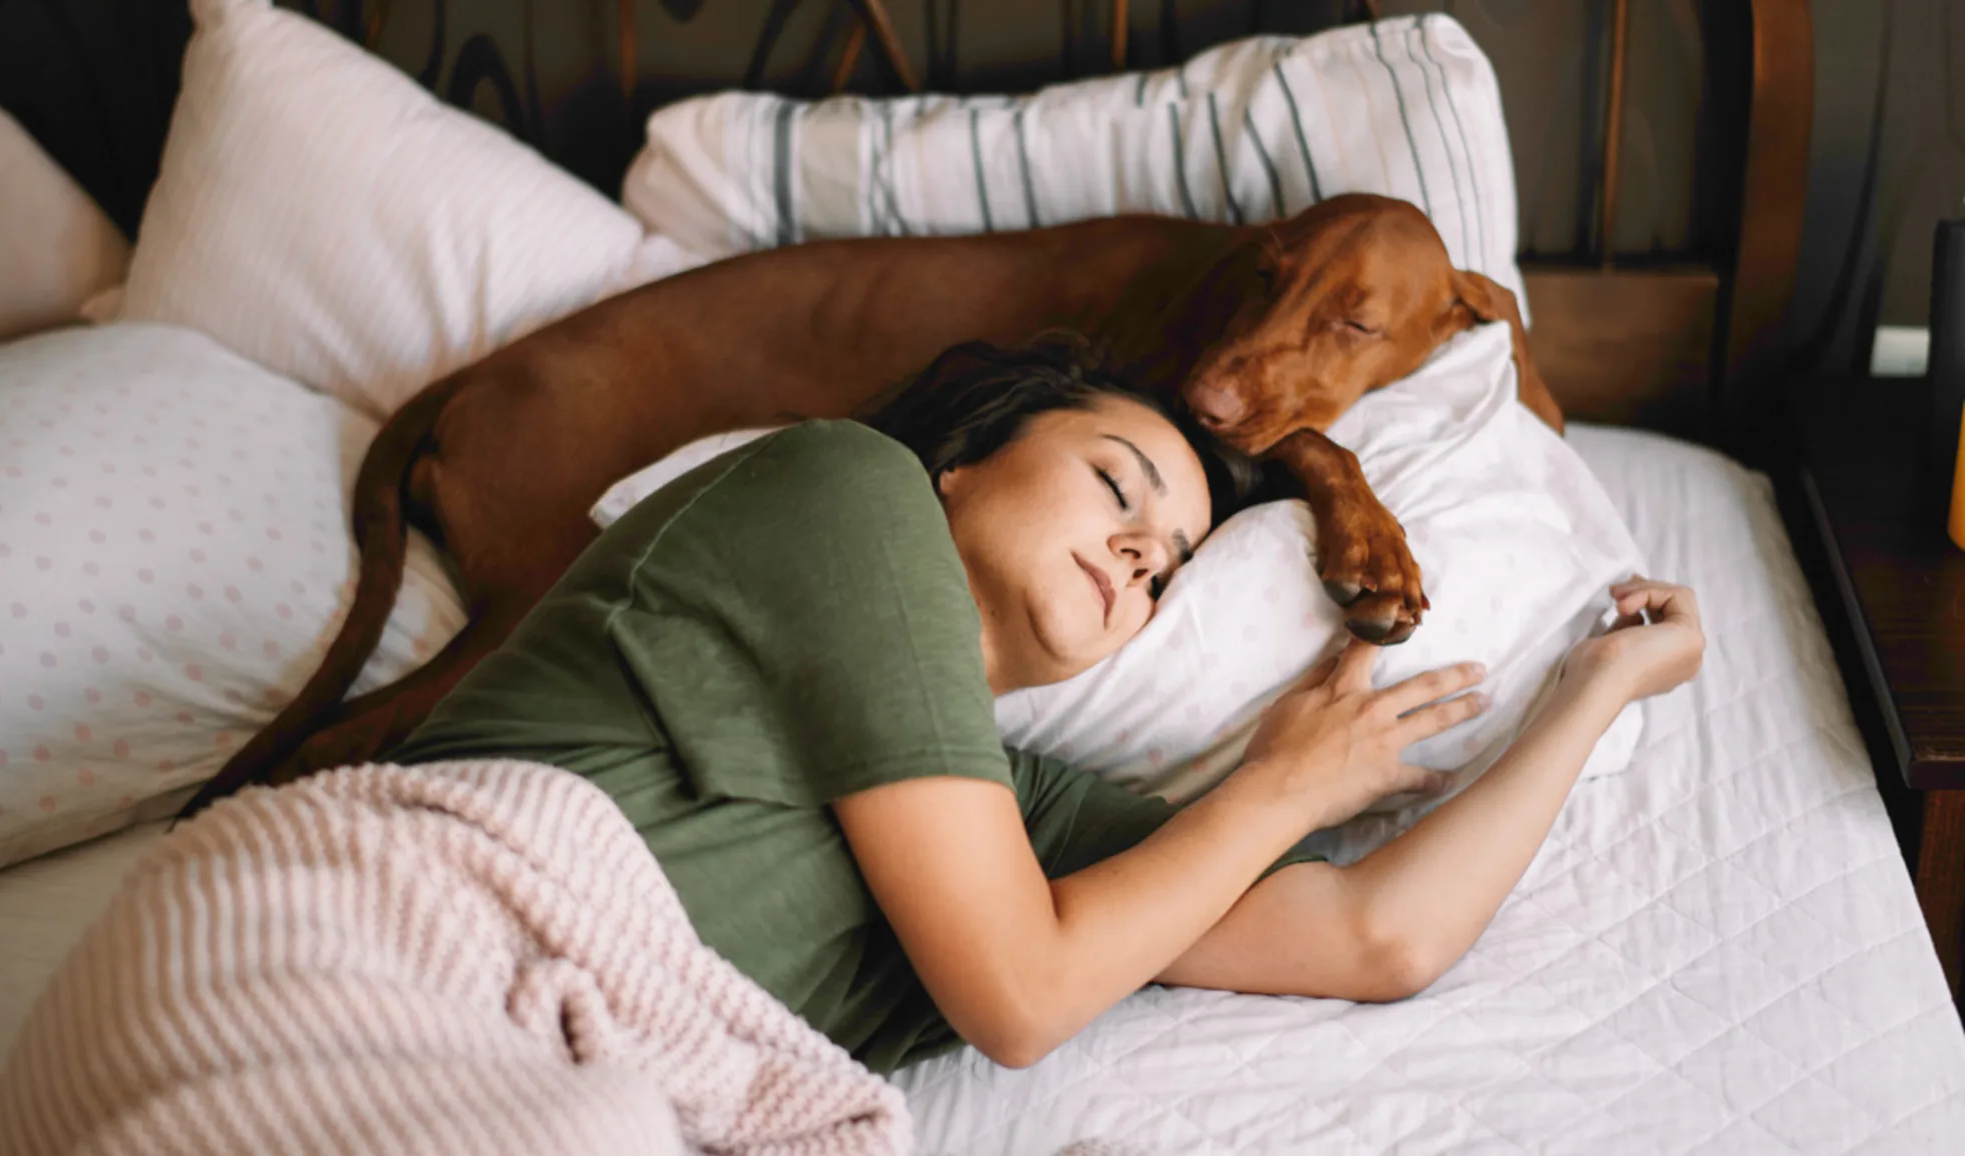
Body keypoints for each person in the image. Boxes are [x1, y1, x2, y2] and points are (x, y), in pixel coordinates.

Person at [384, 332, 1707, 1074]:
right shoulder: (846, 489)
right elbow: (1019, 997)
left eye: (1171, 567)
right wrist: (1283, 788)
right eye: (1118, 484)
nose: (1144, 553)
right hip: (400, 943)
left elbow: (1380, 938)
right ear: (963, 462)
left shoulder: (1016, 836)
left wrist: (1594, 690)